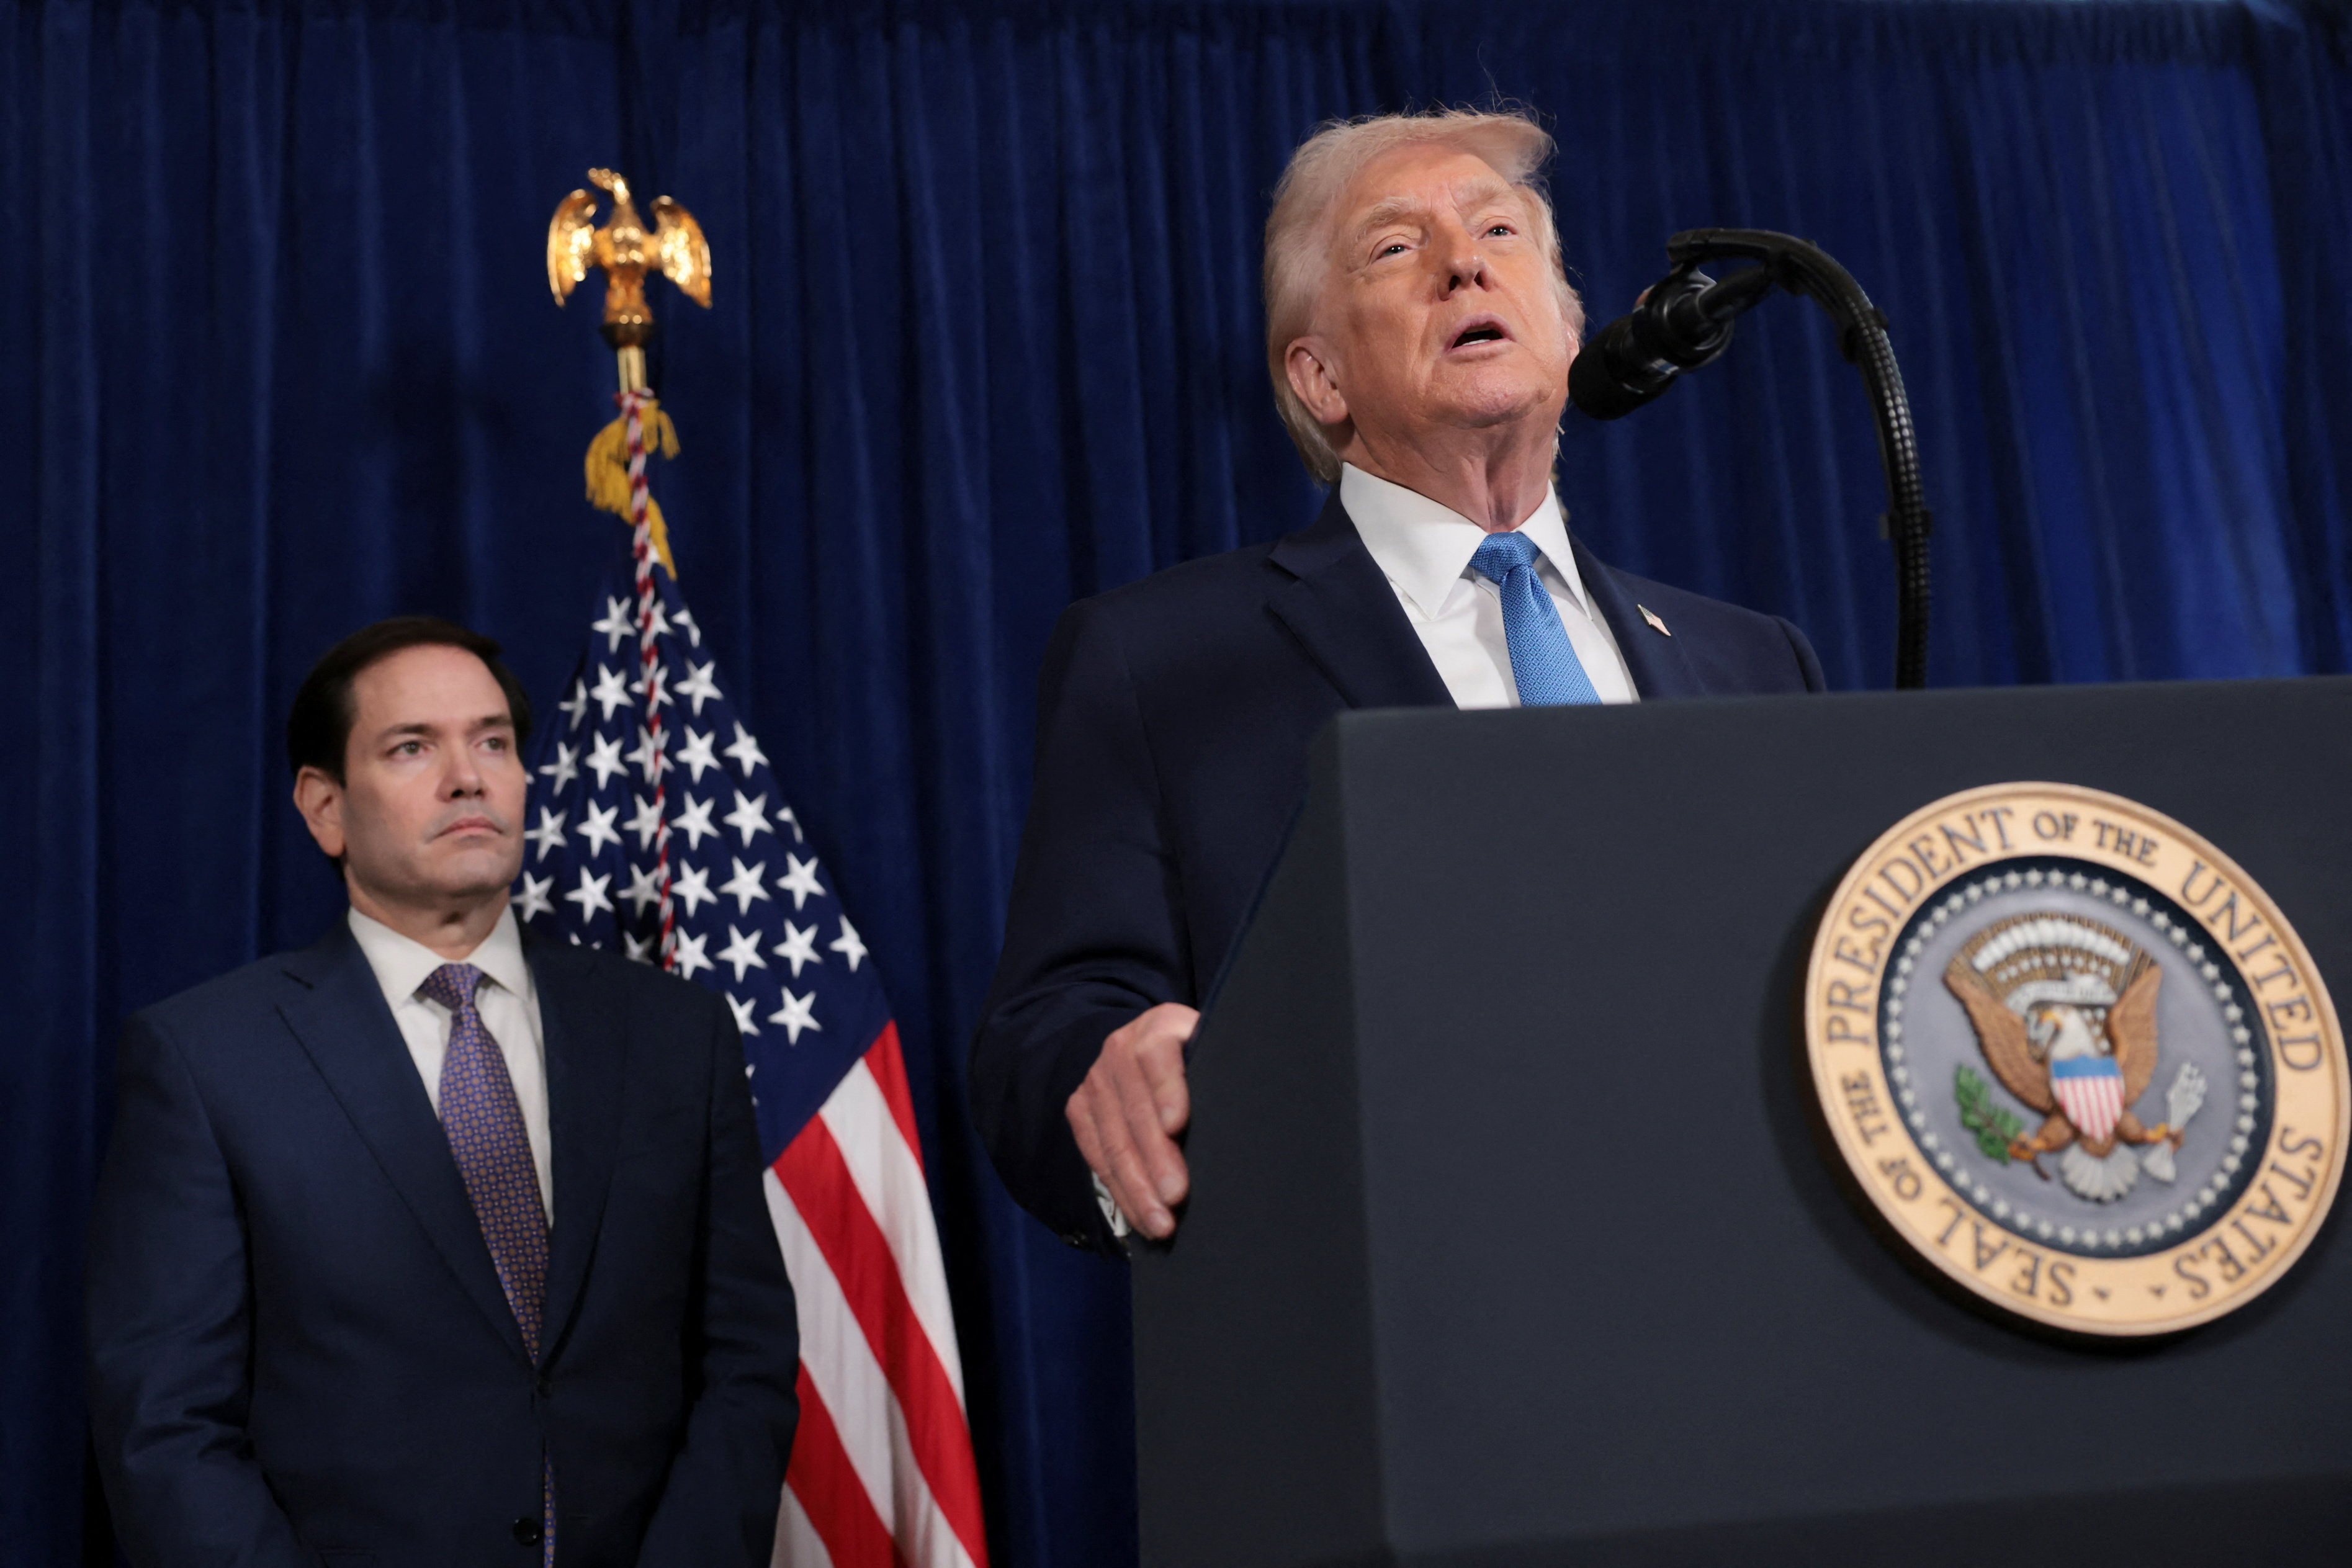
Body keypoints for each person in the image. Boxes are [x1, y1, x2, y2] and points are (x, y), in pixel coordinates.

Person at [969, 108, 1826, 1252]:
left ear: (1568, 327)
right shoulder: (1161, 661)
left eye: (1501, 233)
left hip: (1749, 1302)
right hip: (1397, 1316)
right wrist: (1113, 1076)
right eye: (1394, 247)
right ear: (1319, 377)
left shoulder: (1753, 662)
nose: (1463, 262)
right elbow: (1048, 1040)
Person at [85, 617, 799, 1567]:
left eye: (493, 742)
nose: (469, 777)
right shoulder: (206, 1059)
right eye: (413, 747)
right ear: (324, 808)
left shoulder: (677, 1033)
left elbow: (744, 1361)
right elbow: (167, 1425)